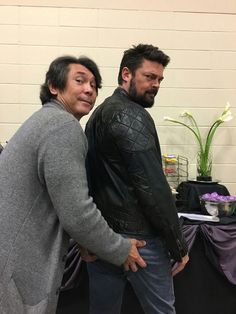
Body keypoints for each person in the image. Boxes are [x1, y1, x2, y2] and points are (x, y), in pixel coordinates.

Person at [0, 55, 147, 314]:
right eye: (80, 81)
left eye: (94, 84)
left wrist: (83, 241)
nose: (89, 89)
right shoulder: (62, 126)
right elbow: (77, 213)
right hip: (18, 268)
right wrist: (121, 249)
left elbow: (57, 200)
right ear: (54, 87)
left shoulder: (44, 120)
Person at [85, 44, 189, 314]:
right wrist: (179, 246)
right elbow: (153, 188)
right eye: (149, 77)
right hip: (141, 241)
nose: (156, 85)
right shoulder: (132, 115)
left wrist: (94, 238)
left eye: (159, 79)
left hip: (105, 238)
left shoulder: (98, 114)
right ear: (126, 74)